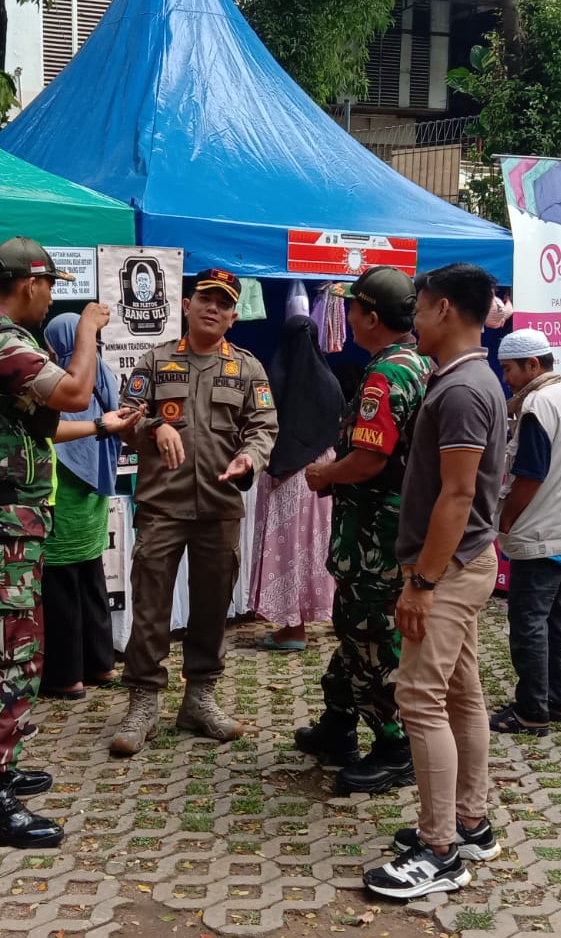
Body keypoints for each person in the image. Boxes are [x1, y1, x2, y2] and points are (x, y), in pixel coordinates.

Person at [0, 238, 142, 848]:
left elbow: (50, 422)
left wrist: (106, 426)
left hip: (0, 520)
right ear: (30, 284)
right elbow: (74, 391)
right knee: (9, 656)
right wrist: (86, 330)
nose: (53, 296)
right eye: (52, 287)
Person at [363, 263, 505, 900]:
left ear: (443, 308)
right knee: (459, 695)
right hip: (462, 562)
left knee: (419, 699)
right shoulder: (465, 380)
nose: (412, 320)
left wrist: (421, 583)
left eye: (418, 308)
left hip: (446, 569)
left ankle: (440, 848)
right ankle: (469, 821)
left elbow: (457, 494)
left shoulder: (461, 390)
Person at [110, 269, 279, 757]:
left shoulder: (247, 369)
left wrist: (251, 458)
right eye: (207, 299)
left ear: (233, 315)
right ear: (187, 304)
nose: (215, 309)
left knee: (211, 608)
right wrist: (150, 430)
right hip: (163, 505)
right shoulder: (156, 361)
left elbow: (263, 426)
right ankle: (143, 701)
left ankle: (199, 698)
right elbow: (125, 416)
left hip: (221, 506)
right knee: (150, 608)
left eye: (225, 304)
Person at [296, 267, 430, 795]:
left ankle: (396, 747)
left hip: (376, 533)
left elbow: (370, 459)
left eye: (352, 307)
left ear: (370, 317)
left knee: (370, 636)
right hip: (388, 528)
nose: (346, 316)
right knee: (354, 630)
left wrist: (325, 474)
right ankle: (337, 723)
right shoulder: (417, 364)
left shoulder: (384, 376)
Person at [493, 329, 561, 737]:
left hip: (540, 533)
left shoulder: (537, 404)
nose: (506, 378)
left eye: (509, 369)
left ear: (533, 365)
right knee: (557, 623)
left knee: (529, 623)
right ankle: (556, 703)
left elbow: (529, 474)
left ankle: (532, 712)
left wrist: (506, 519)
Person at [39, 312, 121, 700]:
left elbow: (50, 432)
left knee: (61, 590)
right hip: (96, 497)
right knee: (92, 581)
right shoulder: (104, 374)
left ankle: (67, 676)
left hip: (62, 499)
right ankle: (102, 664)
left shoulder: (59, 383)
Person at [248, 315, 341, 653]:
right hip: (321, 475)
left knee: (288, 551)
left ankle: (292, 628)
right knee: (318, 548)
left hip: (286, 477)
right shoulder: (329, 381)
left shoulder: (276, 379)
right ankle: (329, 615)